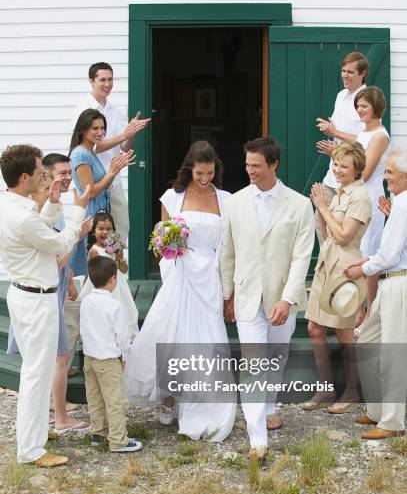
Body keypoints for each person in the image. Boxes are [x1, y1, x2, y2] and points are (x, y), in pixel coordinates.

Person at [125, 140, 236, 442]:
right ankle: (169, 397)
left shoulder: (225, 199)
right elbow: (160, 240)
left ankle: (201, 401)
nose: (204, 179)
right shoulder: (172, 198)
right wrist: (170, 252)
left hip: (209, 276)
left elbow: (227, 245)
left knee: (204, 338)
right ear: (190, 169)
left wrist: (229, 286)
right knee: (172, 334)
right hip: (181, 274)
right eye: (200, 173)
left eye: (210, 173)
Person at [220, 136, 315, 459]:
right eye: (247, 165)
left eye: (256, 166)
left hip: (282, 299)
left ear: (274, 164)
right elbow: (227, 253)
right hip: (247, 297)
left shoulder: (300, 205)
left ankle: (271, 404)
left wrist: (288, 299)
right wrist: (227, 294)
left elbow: (302, 257)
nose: (250, 171)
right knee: (253, 363)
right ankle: (257, 438)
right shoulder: (234, 203)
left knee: (276, 357)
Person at [0, 144, 89, 467]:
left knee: (35, 370)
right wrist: (78, 210)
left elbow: (38, 230)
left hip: (28, 295)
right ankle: (30, 450)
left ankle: (35, 431)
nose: (45, 176)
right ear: (25, 177)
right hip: (36, 301)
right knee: (37, 374)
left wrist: (52, 203)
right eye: (40, 172)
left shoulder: (11, 204)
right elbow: (59, 243)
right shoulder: (21, 217)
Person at [304, 143, 372, 413]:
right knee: (314, 328)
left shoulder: (361, 197)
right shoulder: (340, 195)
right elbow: (328, 231)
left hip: (346, 266)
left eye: (344, 165)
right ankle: (326, 388)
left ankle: (352, 391)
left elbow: (344, 236)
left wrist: (322, 206)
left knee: (344, 332)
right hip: (327, 263)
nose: (338, 169)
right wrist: (322, 209)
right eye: (335, 164)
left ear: (357, 170)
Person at [345, 149, 407, 440]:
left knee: (393, 353)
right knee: (367, 340)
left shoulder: (404, 205)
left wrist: (363, 268)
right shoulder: (399, 204)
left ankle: (393, 422)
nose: (385, 178)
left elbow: (391, 254)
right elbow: (388, 252)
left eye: (390, 173)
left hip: (398, 282)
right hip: (388, 281)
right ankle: (378, 410)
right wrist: (366, 263)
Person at [71, 61, 150, 238]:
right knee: (95, 235)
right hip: (95, 180)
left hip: (113, 180)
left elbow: (124, 146)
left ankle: (114, 263)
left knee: (121, 229)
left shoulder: (114, 110)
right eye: (102, 79)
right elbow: (89, 146)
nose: (107, 84)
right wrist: (123, 135)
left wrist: (131, 133)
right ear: (91, 81)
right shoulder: (83, 109)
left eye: (111, 79)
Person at [80, 256, 143, 452]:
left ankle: (97, 433)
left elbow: (84, 329)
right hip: (108, 361)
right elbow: (122, 337)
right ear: (113, 279)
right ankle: (118, 440)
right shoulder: (115, 306)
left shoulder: (86, 301)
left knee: (95, 398)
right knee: (116, 402)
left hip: (89, 359)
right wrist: (124, 357)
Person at [69, 108, 136, 276]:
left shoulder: (90, 151)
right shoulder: (81, 154)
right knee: (94, 266)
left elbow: (103, 185)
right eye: (95, 128)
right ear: (83, 129)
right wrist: (112, 171)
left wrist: (117, 168)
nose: (100, 132)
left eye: (102, 128)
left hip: (101, 212)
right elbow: (90, 192)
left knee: (101, 264)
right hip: (92, 215)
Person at [315, 52, 368, 245]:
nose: (345, 75)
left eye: (350, 72)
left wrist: (335, 135)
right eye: (343, 71)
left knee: (343, 231)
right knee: (320, 223)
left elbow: (365, 141)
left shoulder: (366, 100)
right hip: (332, 174)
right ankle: (327, 268)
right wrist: (329, 130)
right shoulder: (341, 96)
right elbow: (338, 129)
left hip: (350, 179)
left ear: (363, 74)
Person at [354, 86, 390, 325]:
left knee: (369, 255)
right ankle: (357, 311)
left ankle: (370, 315)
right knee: (357, 253)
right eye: (357, 106)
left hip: (371, 197)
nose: (359, 110)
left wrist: (346, 174)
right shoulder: (364, 130)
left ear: (376, 107)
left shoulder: (380, 136)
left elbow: (365, 172)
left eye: (364, 106)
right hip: (357, 196)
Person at [80, 211, 139, 340]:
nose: (105, 232)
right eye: (101, 229)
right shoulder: (94, 251)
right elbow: (101, 273)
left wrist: (120, 258)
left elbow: (124, 270)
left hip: (118, 285)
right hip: (103, 287)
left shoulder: (115, 247)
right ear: (94, 232)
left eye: (109, 229)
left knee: (125, 314)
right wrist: (113, 258)